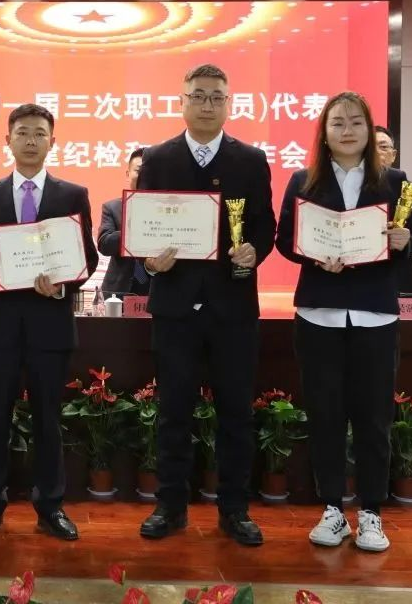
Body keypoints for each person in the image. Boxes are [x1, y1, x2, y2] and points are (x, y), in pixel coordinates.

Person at [134, 64, 275, 546]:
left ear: (228, 104)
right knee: (173, 412)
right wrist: (149, 261)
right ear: (182, 102)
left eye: (217, 97)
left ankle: (235, 510)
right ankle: (170, 506)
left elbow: (264, 226)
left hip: (232, 307)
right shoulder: (157, 158)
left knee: (236, 414)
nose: (208, 105)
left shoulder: (251, 160)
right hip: (175, 308)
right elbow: (143, 225)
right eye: (198, 96)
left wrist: (254, 250)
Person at [275, 92, 410, 553]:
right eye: (337, 123)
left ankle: (371, 512)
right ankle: (332, 508)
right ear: (324, 132)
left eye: (356, 122)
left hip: (375, 313)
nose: (347, 130)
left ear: (369, 130)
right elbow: (285, 240)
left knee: (374, 418)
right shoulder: (303, 180)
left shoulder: (395, 181)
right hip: (320, 312)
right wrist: (313, 255)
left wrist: (406, 238)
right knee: (325, 415)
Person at [0, 103, 98, 541]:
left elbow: (88, 259)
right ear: (8, 140)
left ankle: (51, 507)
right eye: (22, 132)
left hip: (49, 325)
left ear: (52, 142)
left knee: (47, 421)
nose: (31, 140)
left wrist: (61, 284)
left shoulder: (73, 194)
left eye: (40, 133)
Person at [373, 126, 412, 296]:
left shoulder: (410, 191)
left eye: (383, 147)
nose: (377, 152)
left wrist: (408, 241)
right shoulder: (349, 190)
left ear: (393, 155)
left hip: (401, 280)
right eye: (370, 147)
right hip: (358, 280)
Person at [97, 148, 150, 297]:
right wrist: (134, 230)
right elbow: (104, 244)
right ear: (128, 174)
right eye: (138, 171)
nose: (143, 176)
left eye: (148, 171)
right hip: (117, 290)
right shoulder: (112, 207)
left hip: (155, 289)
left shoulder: (166, 208)